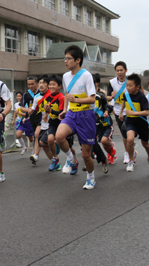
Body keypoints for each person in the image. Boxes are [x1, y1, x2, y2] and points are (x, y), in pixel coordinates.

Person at [56, 45, 97, 190]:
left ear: (78, 60)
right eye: (64, 58)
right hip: (72, 114)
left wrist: (77, 101)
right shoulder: (65, 76)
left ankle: (91, 178)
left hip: (86, 116)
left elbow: (92, 99)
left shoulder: (86, 75)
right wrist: (65, 110)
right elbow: (67, 95)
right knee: (59, 136)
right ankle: (71, 159)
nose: (65, 61)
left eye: (68, 58)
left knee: (86, 155)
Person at [119, 73, 149, 173]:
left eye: (130, 85)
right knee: (129, 140)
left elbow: (147, 112)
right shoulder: (126, 95)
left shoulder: (142, 97)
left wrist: (134, 113)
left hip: (141, 123)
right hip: (130, 121)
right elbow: (124, 103)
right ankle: (131, 160)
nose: (128, 88)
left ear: (137, 86)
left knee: (145, 144)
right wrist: (121, 112)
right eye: (127, 85)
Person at [107, 61, 129, 164]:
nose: (119, 72)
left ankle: (129, 152)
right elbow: (107, 97)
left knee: (130, 134)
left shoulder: (130, 82)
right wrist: (111, 96)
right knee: (124, 134)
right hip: (117, 112)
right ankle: (127, 152)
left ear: (126, 70)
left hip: (130, 111)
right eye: (117, 70)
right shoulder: (112, 82)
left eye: (121, 70)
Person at [27, 75, 52, 165]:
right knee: (38, 136)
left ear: (48, 85)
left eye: (44, 83)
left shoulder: (51, 95)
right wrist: (29, 111)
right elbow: (33, 108)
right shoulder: (36, 97)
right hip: (43, 122)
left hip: (53, 121)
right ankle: (36, 155)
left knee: (49, 141)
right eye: (40, 83)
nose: (41, 85)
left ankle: (56, 154)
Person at [43, 74, 66, 171]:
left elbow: (61, 113)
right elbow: (47, 108)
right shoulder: (47, 96)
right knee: (50, 139)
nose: (51, 86)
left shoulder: (61, 97)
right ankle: (55, 158)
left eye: (54, 84)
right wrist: (46, 113)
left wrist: (51, 111)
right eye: (50, 84)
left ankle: (72, 160)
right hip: (52, 121)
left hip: (61, 122)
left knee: (67, 145)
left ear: (59, 86)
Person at [93, 73, 113, 173]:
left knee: (102, 142)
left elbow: (107, 106)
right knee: (88, 146)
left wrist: (106, 112)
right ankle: (89, 165)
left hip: (103, 123)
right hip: (88, 123)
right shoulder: (82, 95)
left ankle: (106, 157)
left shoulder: (101, 94)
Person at [22, 76, 41, 158]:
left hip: (42, 117)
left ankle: (35, 154)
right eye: (29, 84)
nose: (30, 86)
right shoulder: (26, 94)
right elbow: (21, 107)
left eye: (32, 84)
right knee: (36, 136)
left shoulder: (42, 92)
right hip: (32, 118)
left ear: (37, 84)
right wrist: (28, 110)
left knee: (37, 135)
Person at [12, 91, 34, 156]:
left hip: (27, 121)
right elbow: (15, 112)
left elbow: (28, 114)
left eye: (20, 96)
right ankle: (24, 147)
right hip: (20, 122)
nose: (18, 97)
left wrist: (20, 113)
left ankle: (34, 148)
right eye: (17, 96)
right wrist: (13, 120)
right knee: (18, 135)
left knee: (30, 137)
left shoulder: (26, 105)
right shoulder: (16, 104)